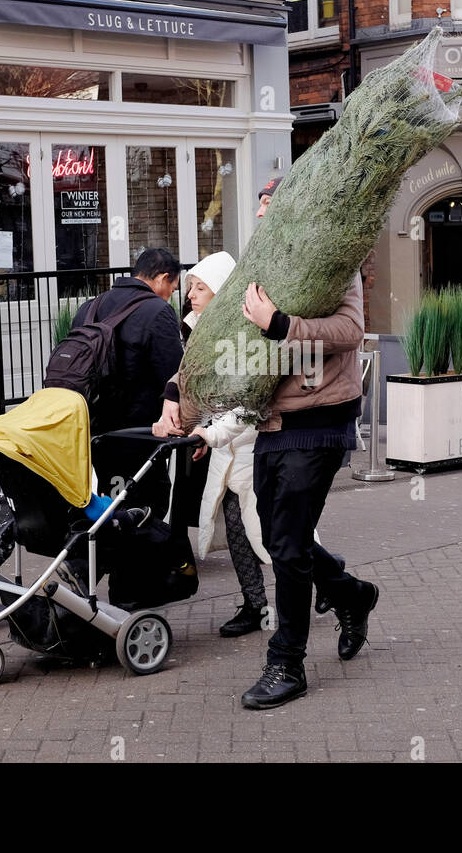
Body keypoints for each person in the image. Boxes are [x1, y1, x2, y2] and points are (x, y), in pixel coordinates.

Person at [163, 274, 379, 709]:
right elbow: (227, 346)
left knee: (287, 548)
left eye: (266, 201)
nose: (260, 212)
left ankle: (287, 664)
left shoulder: (334, 262)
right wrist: (178, 393)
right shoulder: (268, 265)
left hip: (319, 425)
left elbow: (350, 332)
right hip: (271, 426)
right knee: (283, 538)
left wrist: (279, 323)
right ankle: (352, 594)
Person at [155, 251, 274, 637]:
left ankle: (330, 579)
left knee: (265, 529)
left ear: (220, 291)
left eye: (200, 287)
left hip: (249, 442)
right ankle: (257, 604)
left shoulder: (241, 335)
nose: (190, 294)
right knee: (245, 529)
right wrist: (200, 426)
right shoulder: (198, 331)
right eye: (189, 287)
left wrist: (213, 431)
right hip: (223, 441)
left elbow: (246, 398)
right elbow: (191, 379)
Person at [69, 247, 184, 518]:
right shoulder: (158, 311)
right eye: (173, 287)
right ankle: (138, 558)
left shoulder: (90, 308)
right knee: (146, 506)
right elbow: (176, 374)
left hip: (93, 428)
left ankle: (100, 557)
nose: (171, 295)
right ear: (162, 278)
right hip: (139, 432)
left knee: (103, 501)